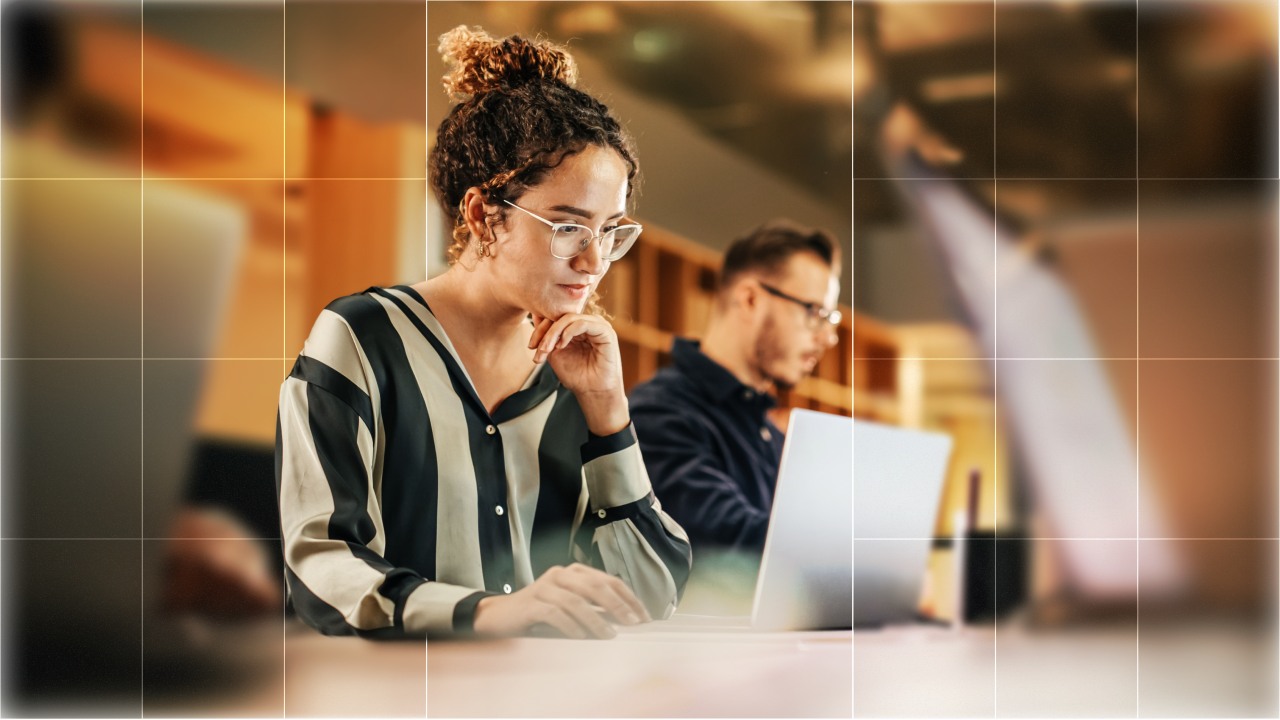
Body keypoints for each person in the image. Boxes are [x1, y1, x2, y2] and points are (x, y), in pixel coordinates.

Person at [276, 26, 690, 640]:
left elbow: (652, 597)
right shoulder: (362, 337)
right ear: (481, 214)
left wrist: (607, 411)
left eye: (610, 232)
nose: (595, 260)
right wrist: (486, 613)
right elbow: (322, 567)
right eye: (569, 228)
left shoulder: (574, 370)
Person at [628, 222, 841, 555]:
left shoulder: (771, 436)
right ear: (751, 299)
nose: (828, 337)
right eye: (815, 312)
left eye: (831, 318)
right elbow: (729, 545)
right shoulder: (658, 414)